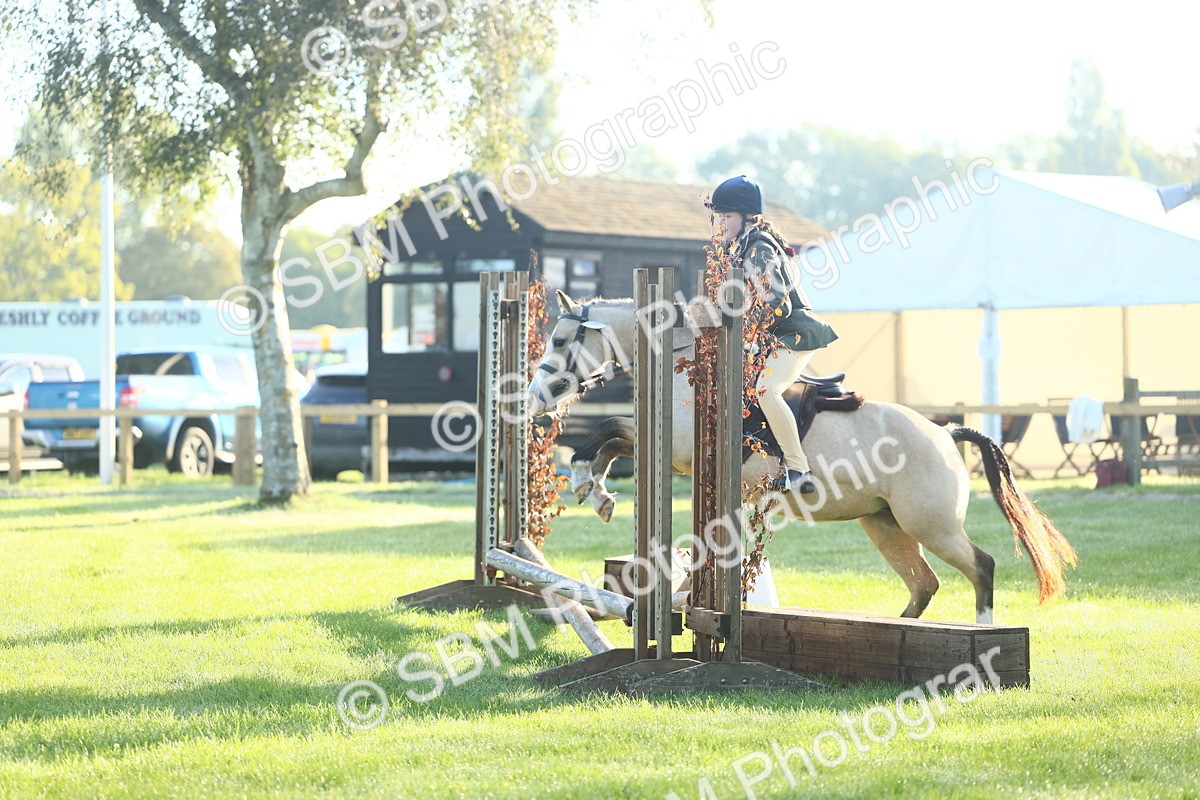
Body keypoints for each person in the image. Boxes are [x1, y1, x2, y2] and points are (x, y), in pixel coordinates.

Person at [705, 175, 839, 494]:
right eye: (720, 217)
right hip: (779, 335)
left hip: (796, 334)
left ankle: (799, 469)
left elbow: (777, 304)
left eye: (726, 217)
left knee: (766, 389)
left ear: (749, 217)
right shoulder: (746, 246)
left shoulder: (760, 249)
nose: (721, 223)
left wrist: (742, 328)